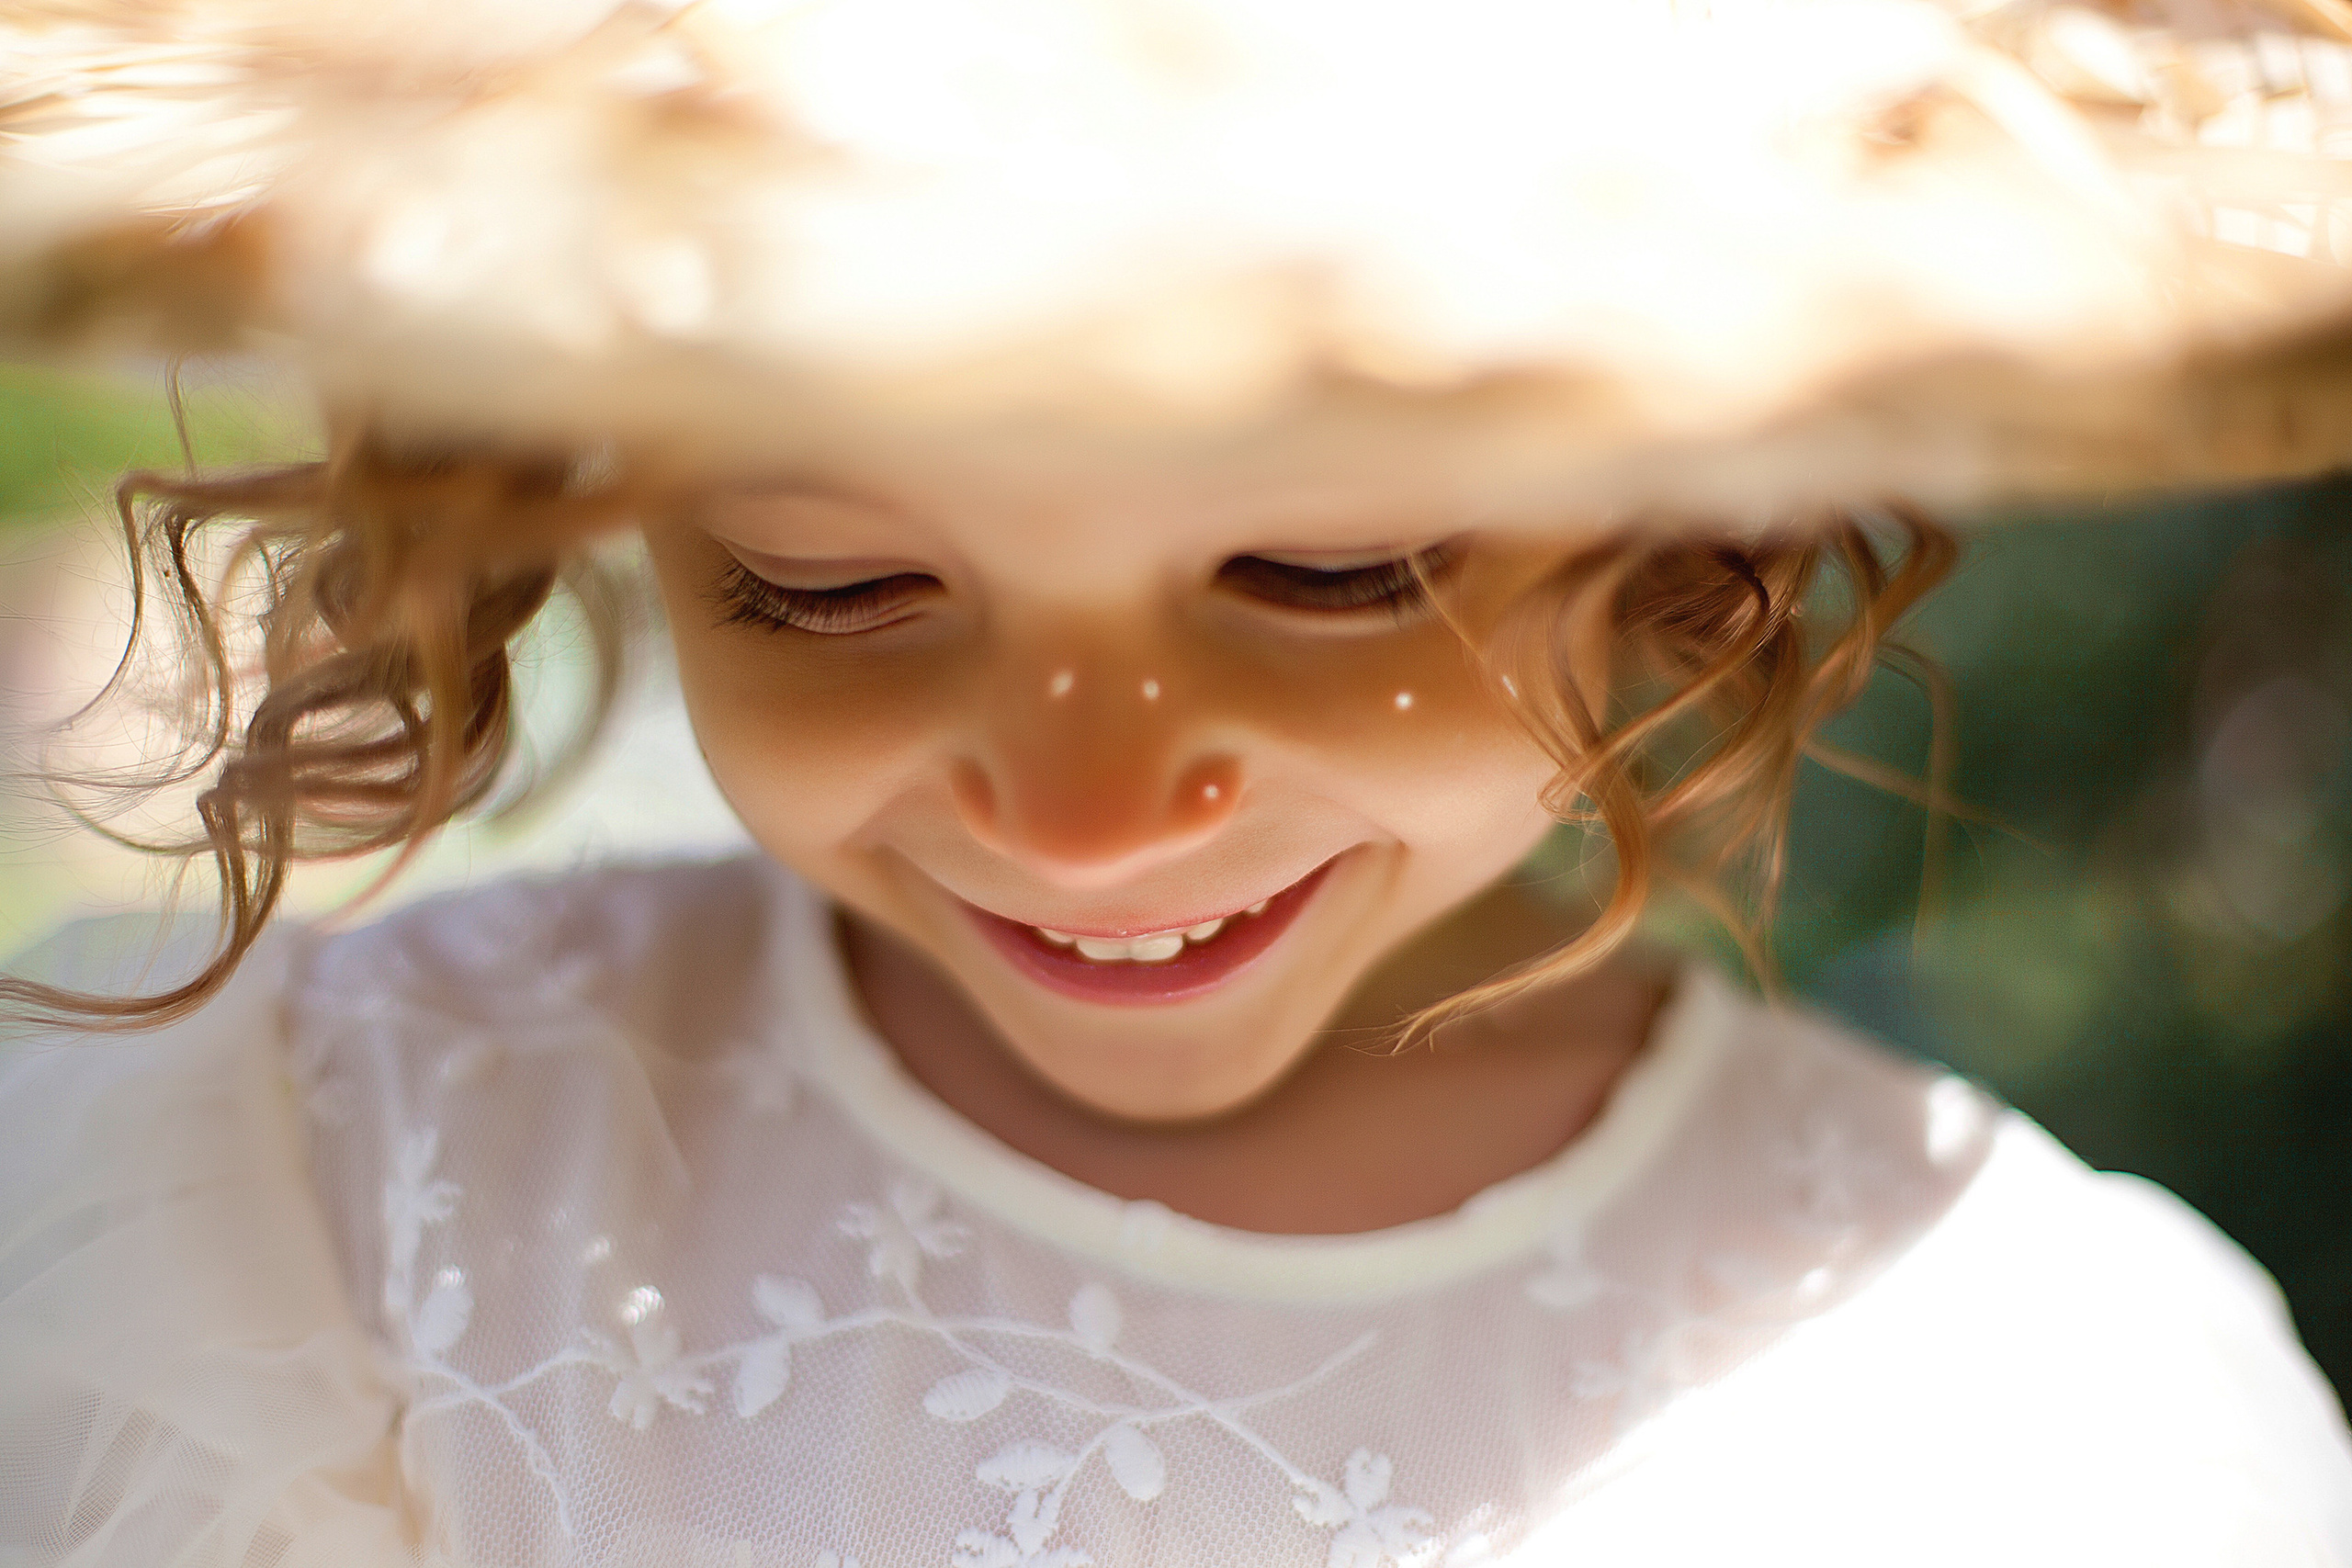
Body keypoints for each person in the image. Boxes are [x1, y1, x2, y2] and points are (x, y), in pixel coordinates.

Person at [3, 1, 2350, 1564]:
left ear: (1671, 515)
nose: (1086, 810)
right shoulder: (309, 1190)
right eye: (833, 586)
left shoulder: (2029, 1405)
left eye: (1328, 572)